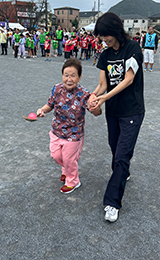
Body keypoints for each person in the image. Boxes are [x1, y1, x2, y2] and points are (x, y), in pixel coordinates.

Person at [88, 12, 145, 223]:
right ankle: (123, 172)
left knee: (121, 155)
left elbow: (129, 79)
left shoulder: (133, 49)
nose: (104, 39)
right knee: (115, 148)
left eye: (106, 35)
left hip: (132, 110)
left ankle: (112, 202)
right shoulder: (105, 55)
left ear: (116, 30)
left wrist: (103, 98)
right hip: (112, 111)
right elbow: (103, 84)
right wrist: (93, 97)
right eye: (101, 36)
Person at [36, 59, 101, 194]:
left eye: (73, 75)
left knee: (68, 159)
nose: (69, 79)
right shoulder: (57, 89)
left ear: (79, 77)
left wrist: (95, 107)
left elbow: (96, 113)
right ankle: (66, 169)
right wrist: (42, 110)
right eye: (66, 75)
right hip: (56, 131)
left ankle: (73, 181)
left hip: (74, 134)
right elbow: (50, 105)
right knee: (56, 156)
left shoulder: (84, 94)